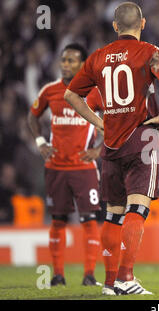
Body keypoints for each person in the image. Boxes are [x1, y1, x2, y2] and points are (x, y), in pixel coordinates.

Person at [64, 2, 159, 295]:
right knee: (137, 208)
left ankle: (111, 282)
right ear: (143, 23)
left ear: (115, 27)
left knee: (113, 213)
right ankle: (126, 278)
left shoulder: (98, 57)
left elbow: (72, 96)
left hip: (111, 145)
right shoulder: (150, 52)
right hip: (141, 138)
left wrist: (100, 124)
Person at [27, 43, 103, 287]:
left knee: (89, 220)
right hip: (57, 168)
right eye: (64, 60)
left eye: (71, 60)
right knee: (58, 220)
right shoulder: (50, 90)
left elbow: (115, 119)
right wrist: (40, 141)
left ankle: (89, 276)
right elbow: (33, 116)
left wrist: (99, 149)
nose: (66, 64)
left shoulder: (94, 93)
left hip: (83, 168)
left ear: (82, 65)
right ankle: (58, 275)